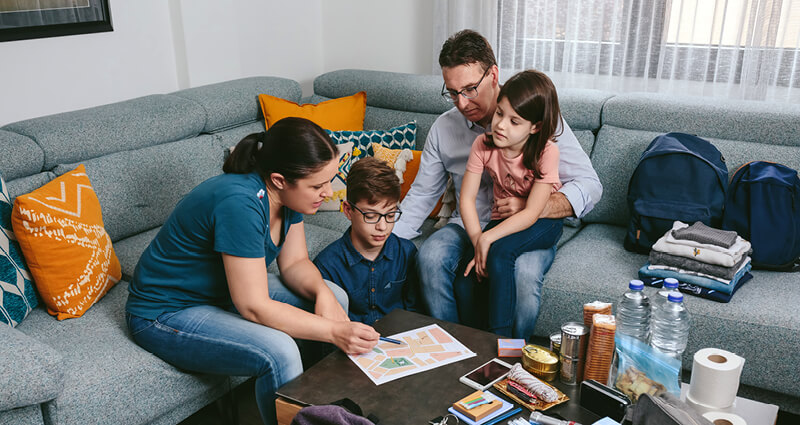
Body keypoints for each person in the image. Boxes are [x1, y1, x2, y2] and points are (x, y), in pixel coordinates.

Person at [125, 118, 379, 425]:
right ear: (279, 179)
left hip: (219, 293)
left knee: (334, 293)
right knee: (279, 351)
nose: (327, 192)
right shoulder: (240, 203)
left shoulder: (289, 198)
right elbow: (254, 306)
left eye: (329, 180)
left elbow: (295, 263)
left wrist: (323, 294)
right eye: (317, 185)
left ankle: (325, 408)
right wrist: (334, 331)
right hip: (164, 312)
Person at [392, 30, 602, 339]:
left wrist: (535, 206)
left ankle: (510, 361)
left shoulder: (536, 117)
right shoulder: (445, 129)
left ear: (493, 75)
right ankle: (454, 350)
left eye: (470, 89)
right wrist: (380, 240)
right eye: (452, 92)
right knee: (431, 257)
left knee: (524, 275)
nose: (462, 103)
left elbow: (590, 185)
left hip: (524, 224)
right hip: (469, 224)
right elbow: (422, 195)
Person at [461, 70, 565, 336]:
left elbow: (532, 213)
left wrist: (488, 240)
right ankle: (476, 342)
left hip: (543, 221)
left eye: (514, 121)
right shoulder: (482, 145)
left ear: (535, 126)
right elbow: (467, 199)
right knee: (468, 274)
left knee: (501, 253)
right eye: (499, 114)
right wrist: (477, 241)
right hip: (504, 219)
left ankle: (502, 347)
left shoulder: (546, 152)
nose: (501, 125)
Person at [314, 157, 421, 325]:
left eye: (391, 215)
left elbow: (414, 311)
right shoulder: (327, 265)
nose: (382, 226)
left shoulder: (406, 253)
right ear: (348, 211)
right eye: (371, 216)